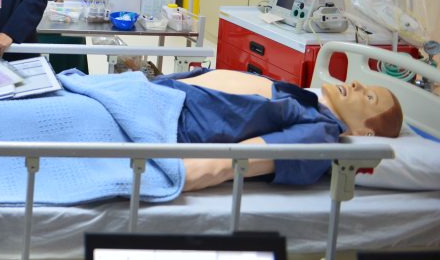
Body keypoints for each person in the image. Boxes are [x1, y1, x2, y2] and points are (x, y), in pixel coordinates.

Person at [143, 68, 404, 190]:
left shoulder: (320, 134)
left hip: (156, 120)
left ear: (362, 134)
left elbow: (228, 163)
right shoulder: (307, 101)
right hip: (148, 95)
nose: (357, 84)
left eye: (370, 98)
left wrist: (145, 182)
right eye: (365, 85)